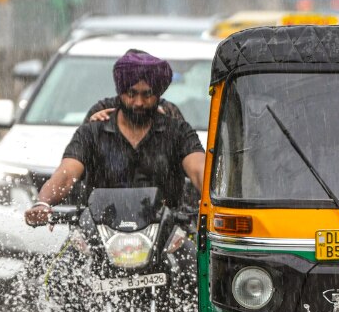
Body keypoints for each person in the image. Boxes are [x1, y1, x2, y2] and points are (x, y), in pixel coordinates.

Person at [24, 49, 206, 227]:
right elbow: (65, 175)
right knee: (67, 257)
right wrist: (44, 202)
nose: (139, 102)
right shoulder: (92, 132)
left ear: (158, 94)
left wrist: (212, 201)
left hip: (167, 233)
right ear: (120, 92)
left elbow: (200, 171)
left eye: (147, 94)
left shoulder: (178, 131)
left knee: (193, 257)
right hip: (99, 232)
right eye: (131, 94)